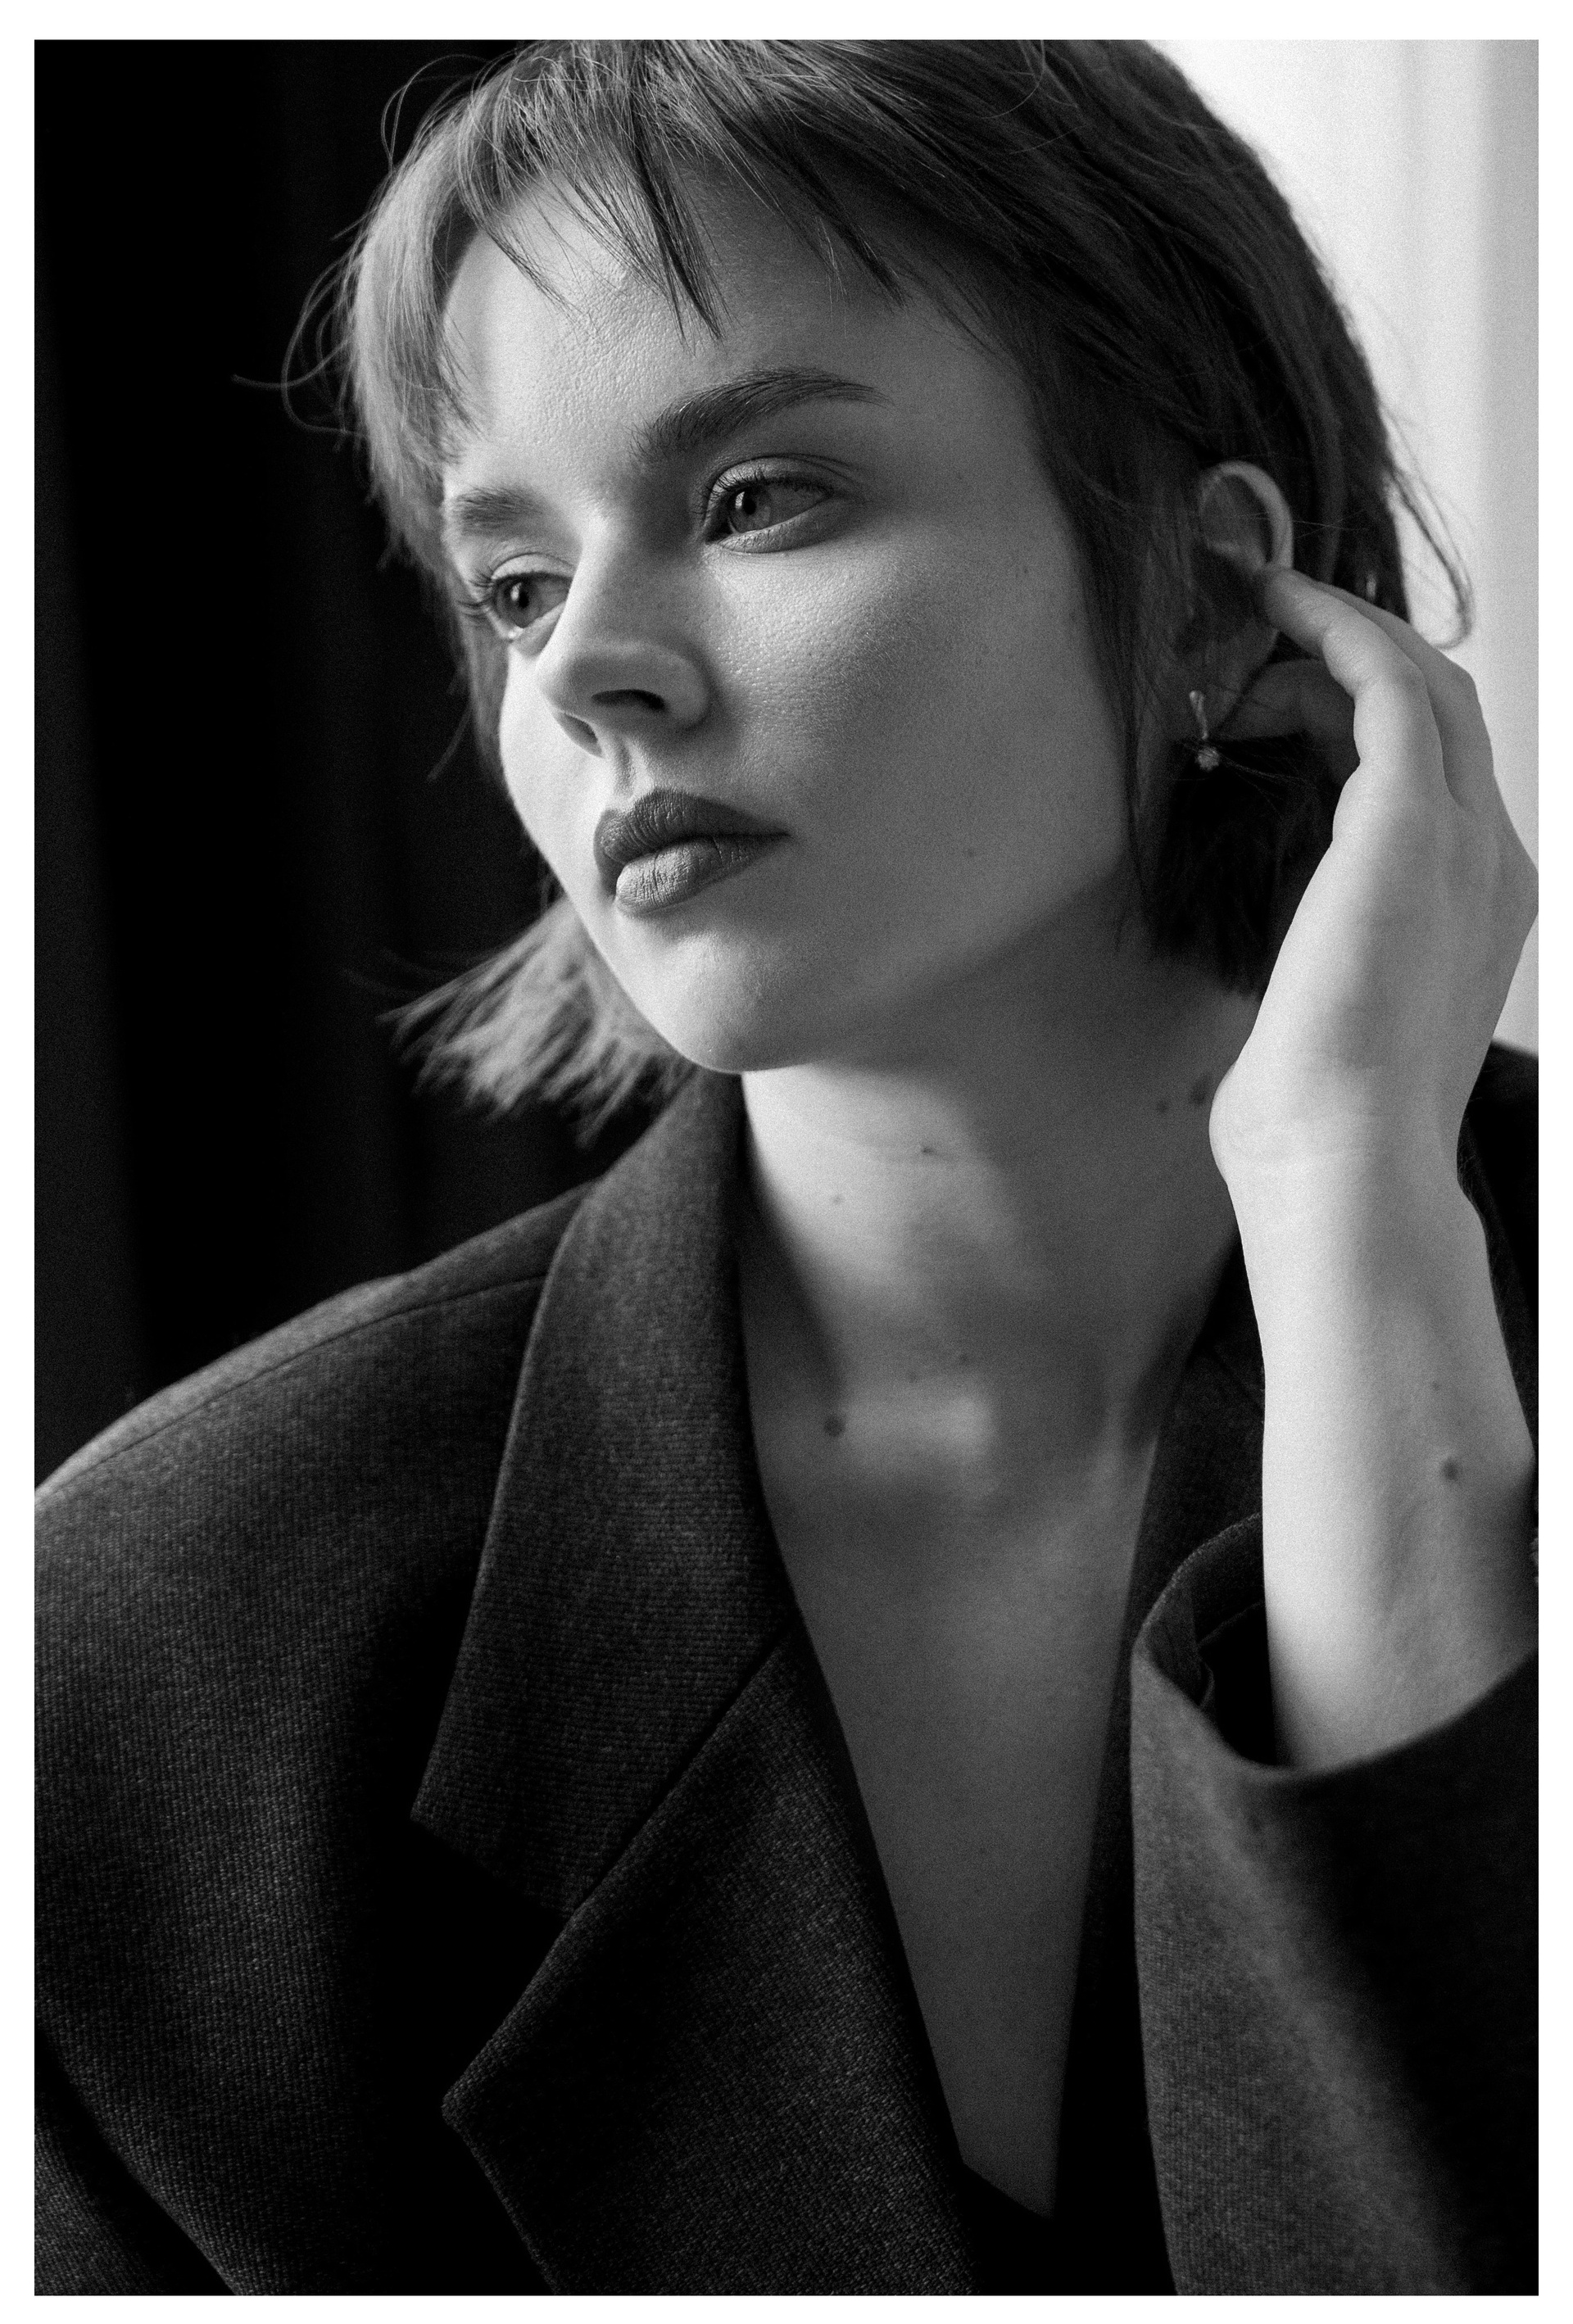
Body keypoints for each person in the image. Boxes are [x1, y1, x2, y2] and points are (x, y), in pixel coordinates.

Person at [35, 39, 1537, 2295]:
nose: (587, 673)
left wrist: (1355, 1209)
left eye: (757, 497)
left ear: (1216, 599)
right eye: (514, 584)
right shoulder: (154, 1651)